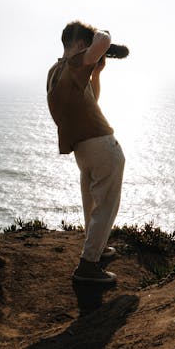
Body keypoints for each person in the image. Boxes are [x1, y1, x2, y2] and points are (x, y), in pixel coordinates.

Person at [47, 21, 125, 283]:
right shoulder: (74, 64)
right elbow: (102, 40)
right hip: (102, 146)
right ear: (81, 45)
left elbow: (90, 101)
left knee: (91, 205)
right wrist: (102, 38)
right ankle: (88, 266)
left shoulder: (57, 72)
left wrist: (97, 73)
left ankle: (97, 249)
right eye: (88, 45)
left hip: (84, 149)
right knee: (106, 206)